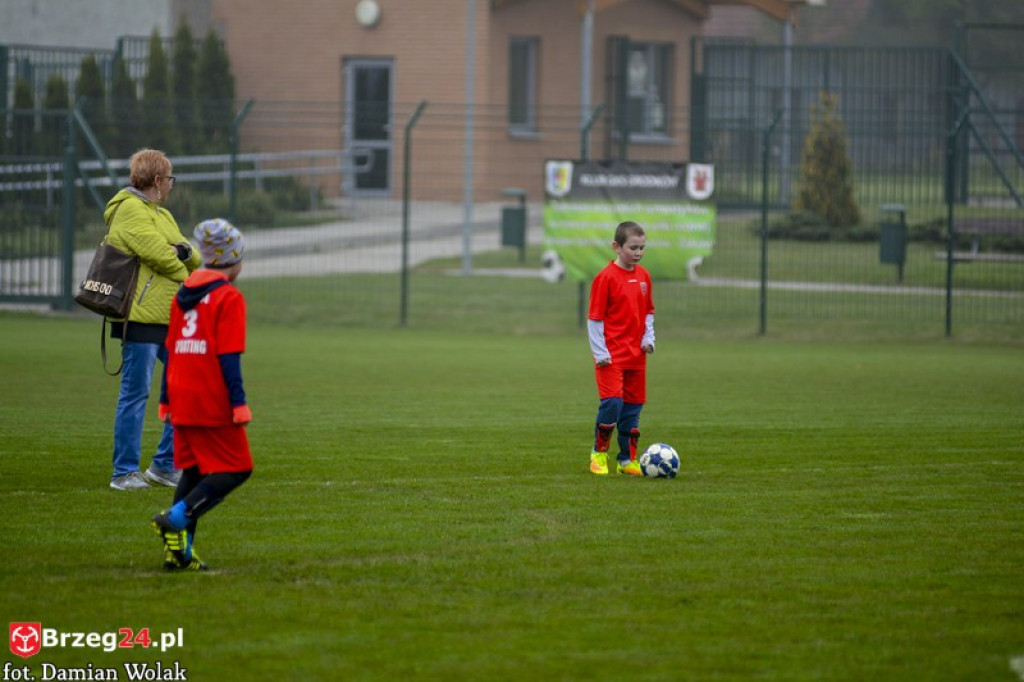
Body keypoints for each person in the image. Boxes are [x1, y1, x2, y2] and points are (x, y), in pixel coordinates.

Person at [151, 219, 252, 571]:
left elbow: (172, 348)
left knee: (193, 471)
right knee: (237, 468)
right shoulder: (228, 297)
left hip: (180, 394)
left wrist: (164, 400)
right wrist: (238, 403)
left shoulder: (183, 295)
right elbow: (228, 357)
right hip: (210, 396)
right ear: (233, 258)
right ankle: (175, 519)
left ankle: (178, 555)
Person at [105, 149, 201, 491]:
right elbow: (160, 254)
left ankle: (163, 465)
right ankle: (124, 472)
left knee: (185, 387)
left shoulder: (161, 214)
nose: (172, 185)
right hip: (141, 316)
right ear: (157, 180)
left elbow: (193, 254)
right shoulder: (129, 210)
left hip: (169, 316)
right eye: (170, 179)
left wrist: (183, 253)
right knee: (136, 393)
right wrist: (185, 273)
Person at [586, 221, 655, 476]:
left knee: (633, 409)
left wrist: (649, 339)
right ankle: (598, 454)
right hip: (611, 356)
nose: (638, 253)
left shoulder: (644, 276)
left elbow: (648, 312)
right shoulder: (605, 278)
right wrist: (600, 353)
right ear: (616, 247)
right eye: (633, 247)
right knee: (613, 403)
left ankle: (627, 460)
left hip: (636, 356)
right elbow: (595, 319)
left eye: (642, 248)